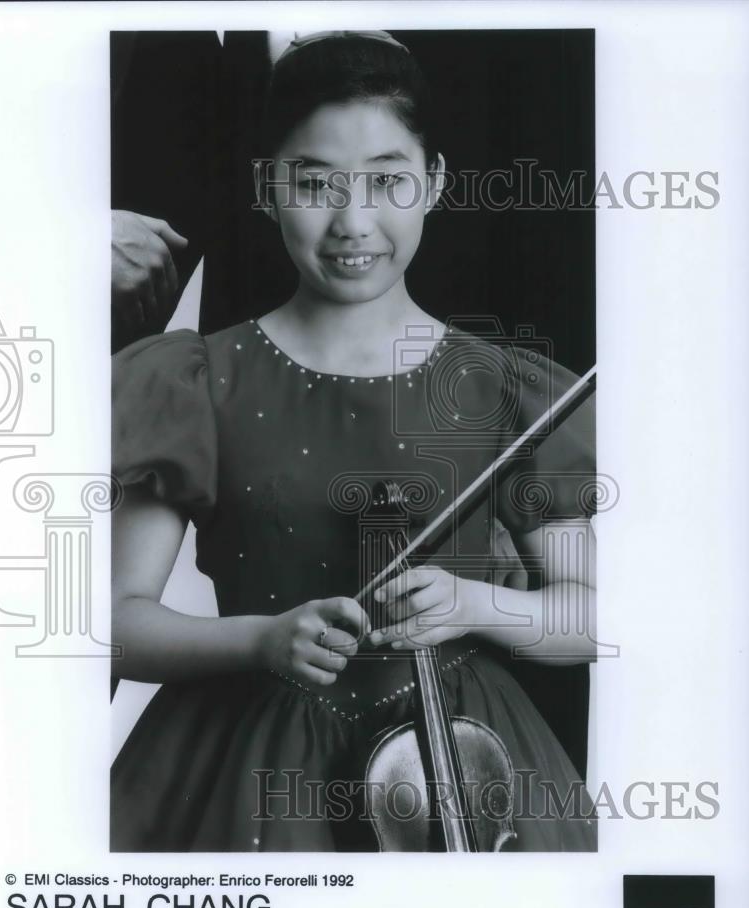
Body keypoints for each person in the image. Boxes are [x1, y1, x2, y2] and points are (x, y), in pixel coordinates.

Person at [111, 31, 597, 852]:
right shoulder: (194, 378)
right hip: (246, 766)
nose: (352, 220)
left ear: (434, 182)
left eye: (387, 179)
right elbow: (116, 624)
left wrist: (478, 605)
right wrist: (260, 639)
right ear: (266, 188)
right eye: (314, 182)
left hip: (458, 764)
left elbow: (592, 616)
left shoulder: (507, 386)